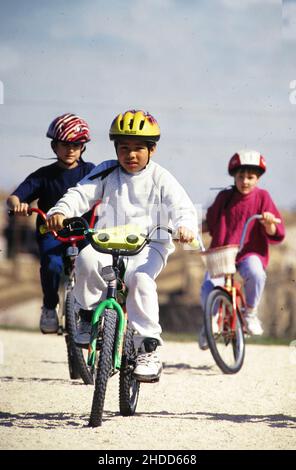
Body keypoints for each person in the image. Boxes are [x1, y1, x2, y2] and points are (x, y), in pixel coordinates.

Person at [46, 109, 198, 382]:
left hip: (150, 245)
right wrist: (61, 211)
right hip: (108, 241)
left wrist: (185, 227)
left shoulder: (161, 177)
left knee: (140, 280)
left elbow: (182, 207)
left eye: (138, 148)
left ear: (152, 149)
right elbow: (80, 193)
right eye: (123, 148)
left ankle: (147, 348)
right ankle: (85, 314)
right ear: (115, 148)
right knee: (86, 260)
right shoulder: (106, 171)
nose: (130, 155)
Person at [7, 113, 95, 334]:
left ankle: (88, 314)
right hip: (51, 233)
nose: (71, 150)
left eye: (77, 144)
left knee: (92, 264)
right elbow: (16, 196)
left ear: (83, 147)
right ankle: (49, 306)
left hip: (83, 232)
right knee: (52, 265)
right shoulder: (44, 176)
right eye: (65, 144)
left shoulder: (92, 172)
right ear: (54, 146)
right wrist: (18, 205)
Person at [198, 149, 285, 350]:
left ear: (258, 179)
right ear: (234, 177)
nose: (245, 181)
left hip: (249, 252)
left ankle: (250, 312)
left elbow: (275, 232)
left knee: (256, 273)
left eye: (250, 177)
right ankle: (209, 323)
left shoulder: (263, 197)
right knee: (208, 287)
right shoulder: (224, 197)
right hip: (223, 251)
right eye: (240, 176)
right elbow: (209, 222)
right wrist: (191, 230)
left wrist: (268, 223)